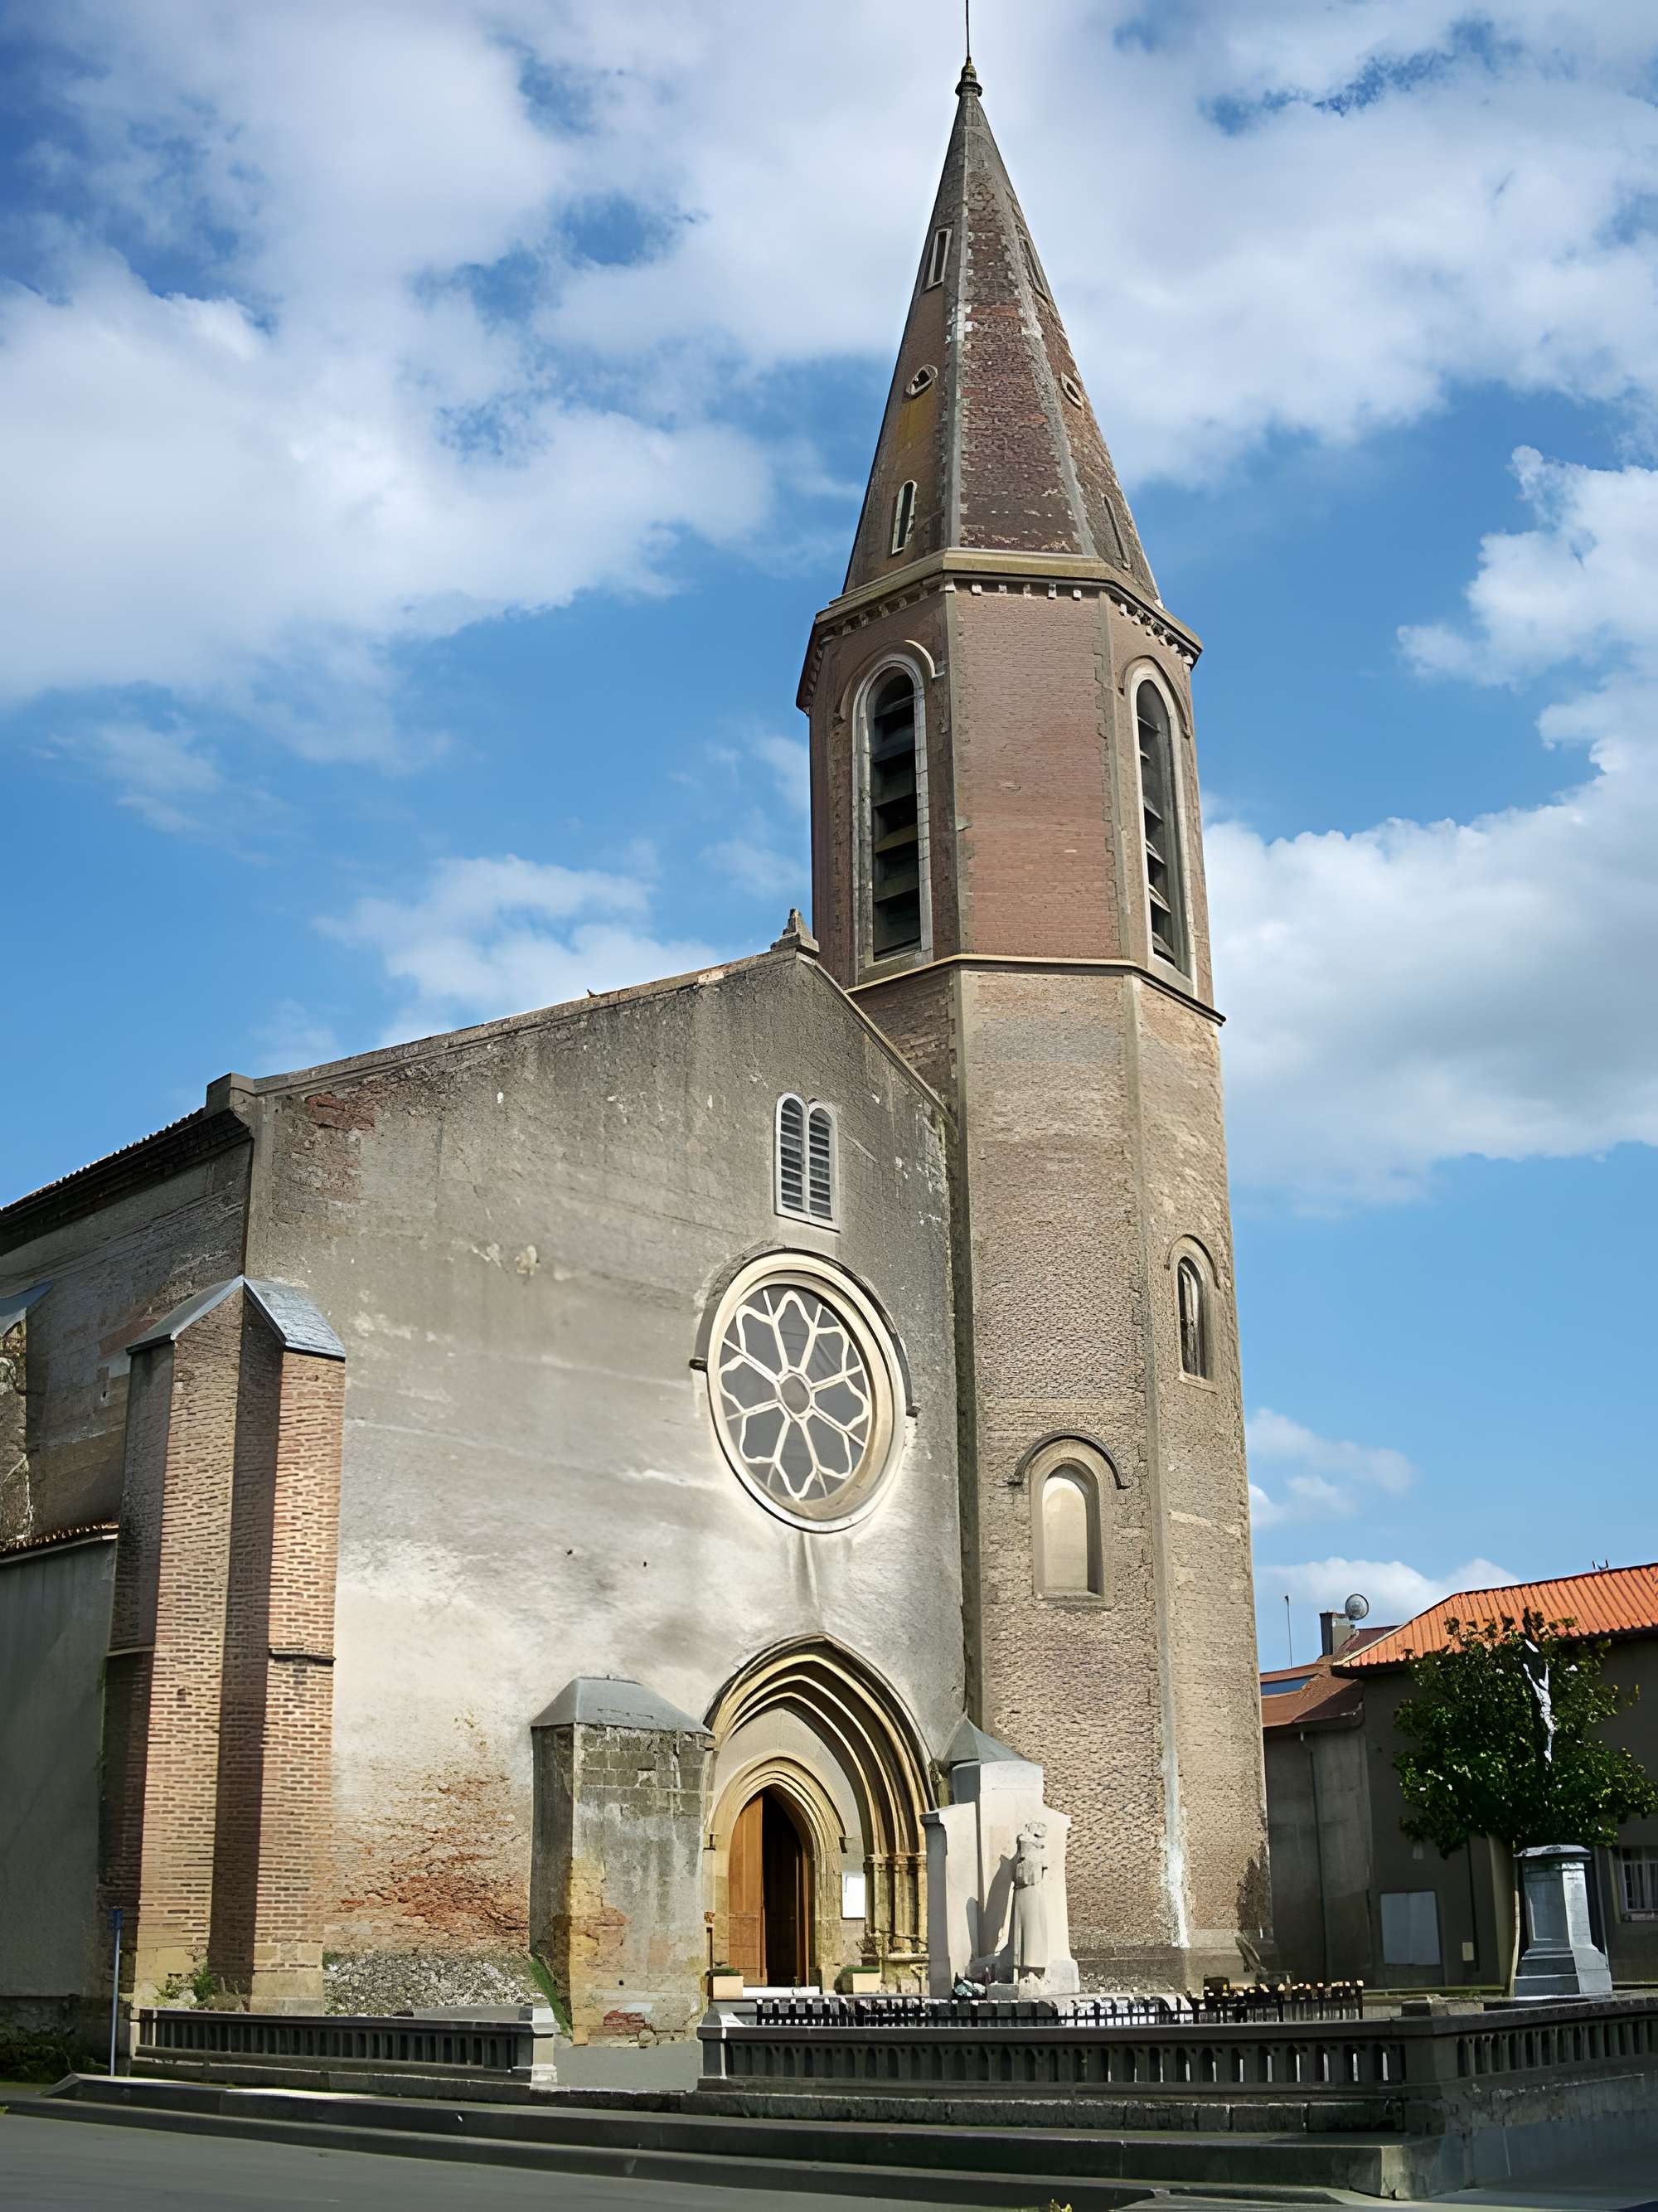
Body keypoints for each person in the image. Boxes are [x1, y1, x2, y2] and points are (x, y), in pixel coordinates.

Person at [1011, 1822, 1049, 1979]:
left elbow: (1030, 1877)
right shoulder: (1024, 1857)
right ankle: (1026, 1970)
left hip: (1032, 1893)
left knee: (1033, 1930)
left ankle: (1032, 1968)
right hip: (1024, 1893)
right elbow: (1020, 1878)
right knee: (1025, 1931)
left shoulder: (1035, 1855)